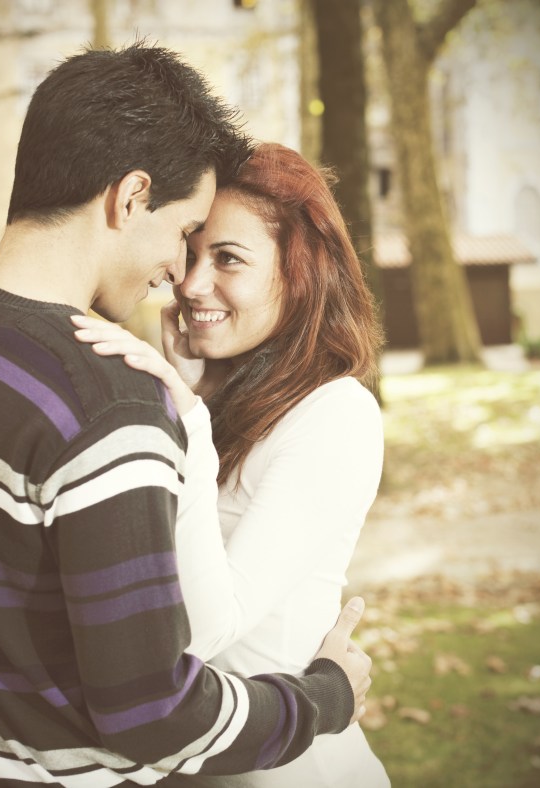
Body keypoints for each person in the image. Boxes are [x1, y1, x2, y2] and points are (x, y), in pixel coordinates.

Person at [0, 44, 372, 787]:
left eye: (223, 256)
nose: (180, 275)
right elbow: (155, 717)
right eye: (183, 235)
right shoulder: (112, 406)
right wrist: (327, 696)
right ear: (130, 196)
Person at [73, 141, 389, 787]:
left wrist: (183, 415)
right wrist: (181, 403)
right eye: (191, 251)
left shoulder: (335, 414)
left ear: (299, 271)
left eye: (229, 259)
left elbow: (206, 628)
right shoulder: (202, 400)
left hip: (289, 769)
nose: (191, 283)